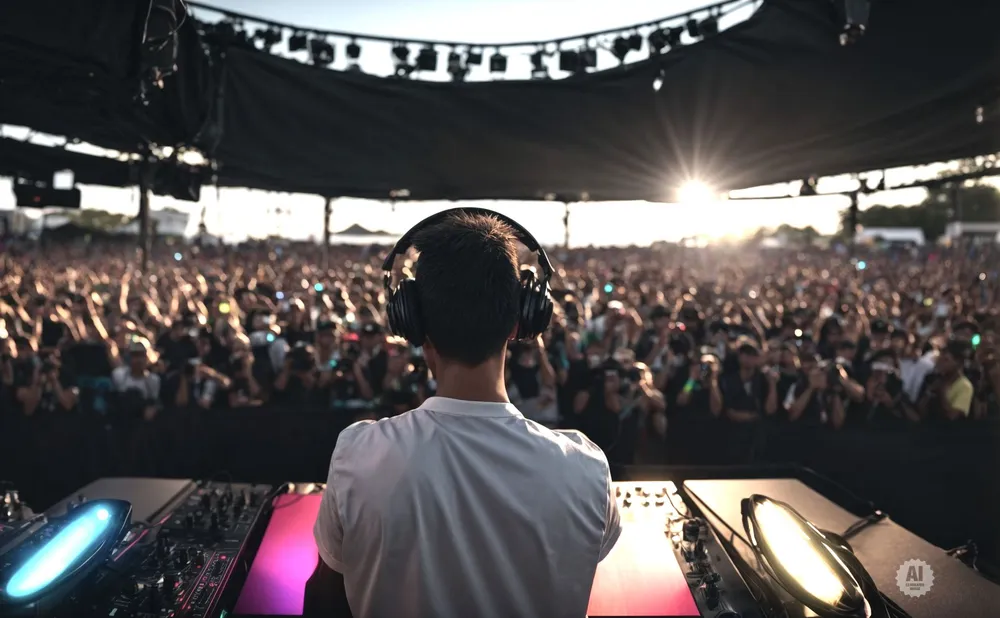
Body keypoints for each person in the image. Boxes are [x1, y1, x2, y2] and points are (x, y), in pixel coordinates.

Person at [306, 210, 620, 618]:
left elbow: (323, 599)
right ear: (520, 321)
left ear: (414, 323)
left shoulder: (358, 454)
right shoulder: (586, 469)